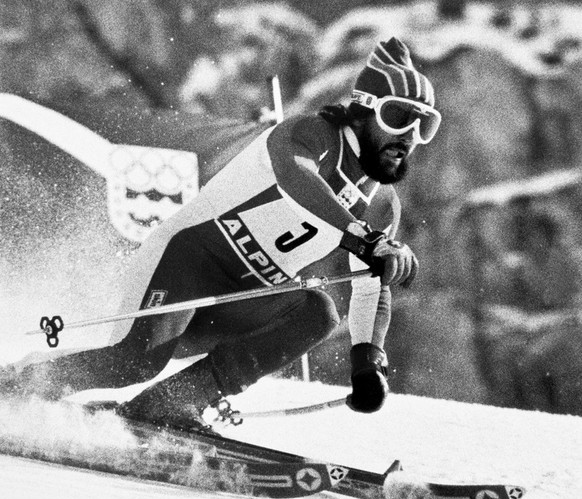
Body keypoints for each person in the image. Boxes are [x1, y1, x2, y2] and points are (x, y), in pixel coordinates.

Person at [4, 37, 441, 430]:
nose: (410, 137)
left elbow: (370, 287)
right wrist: (362, 237)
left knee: (318, 313)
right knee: (130, 364)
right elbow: (297, 182)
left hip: (243, 297)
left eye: (425, 125)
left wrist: (369, 363)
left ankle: (172, 404)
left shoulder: (382, 205)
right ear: (363, 108)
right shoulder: (312, 134)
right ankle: (16, 382)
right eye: (399, 117)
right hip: (186, 265)